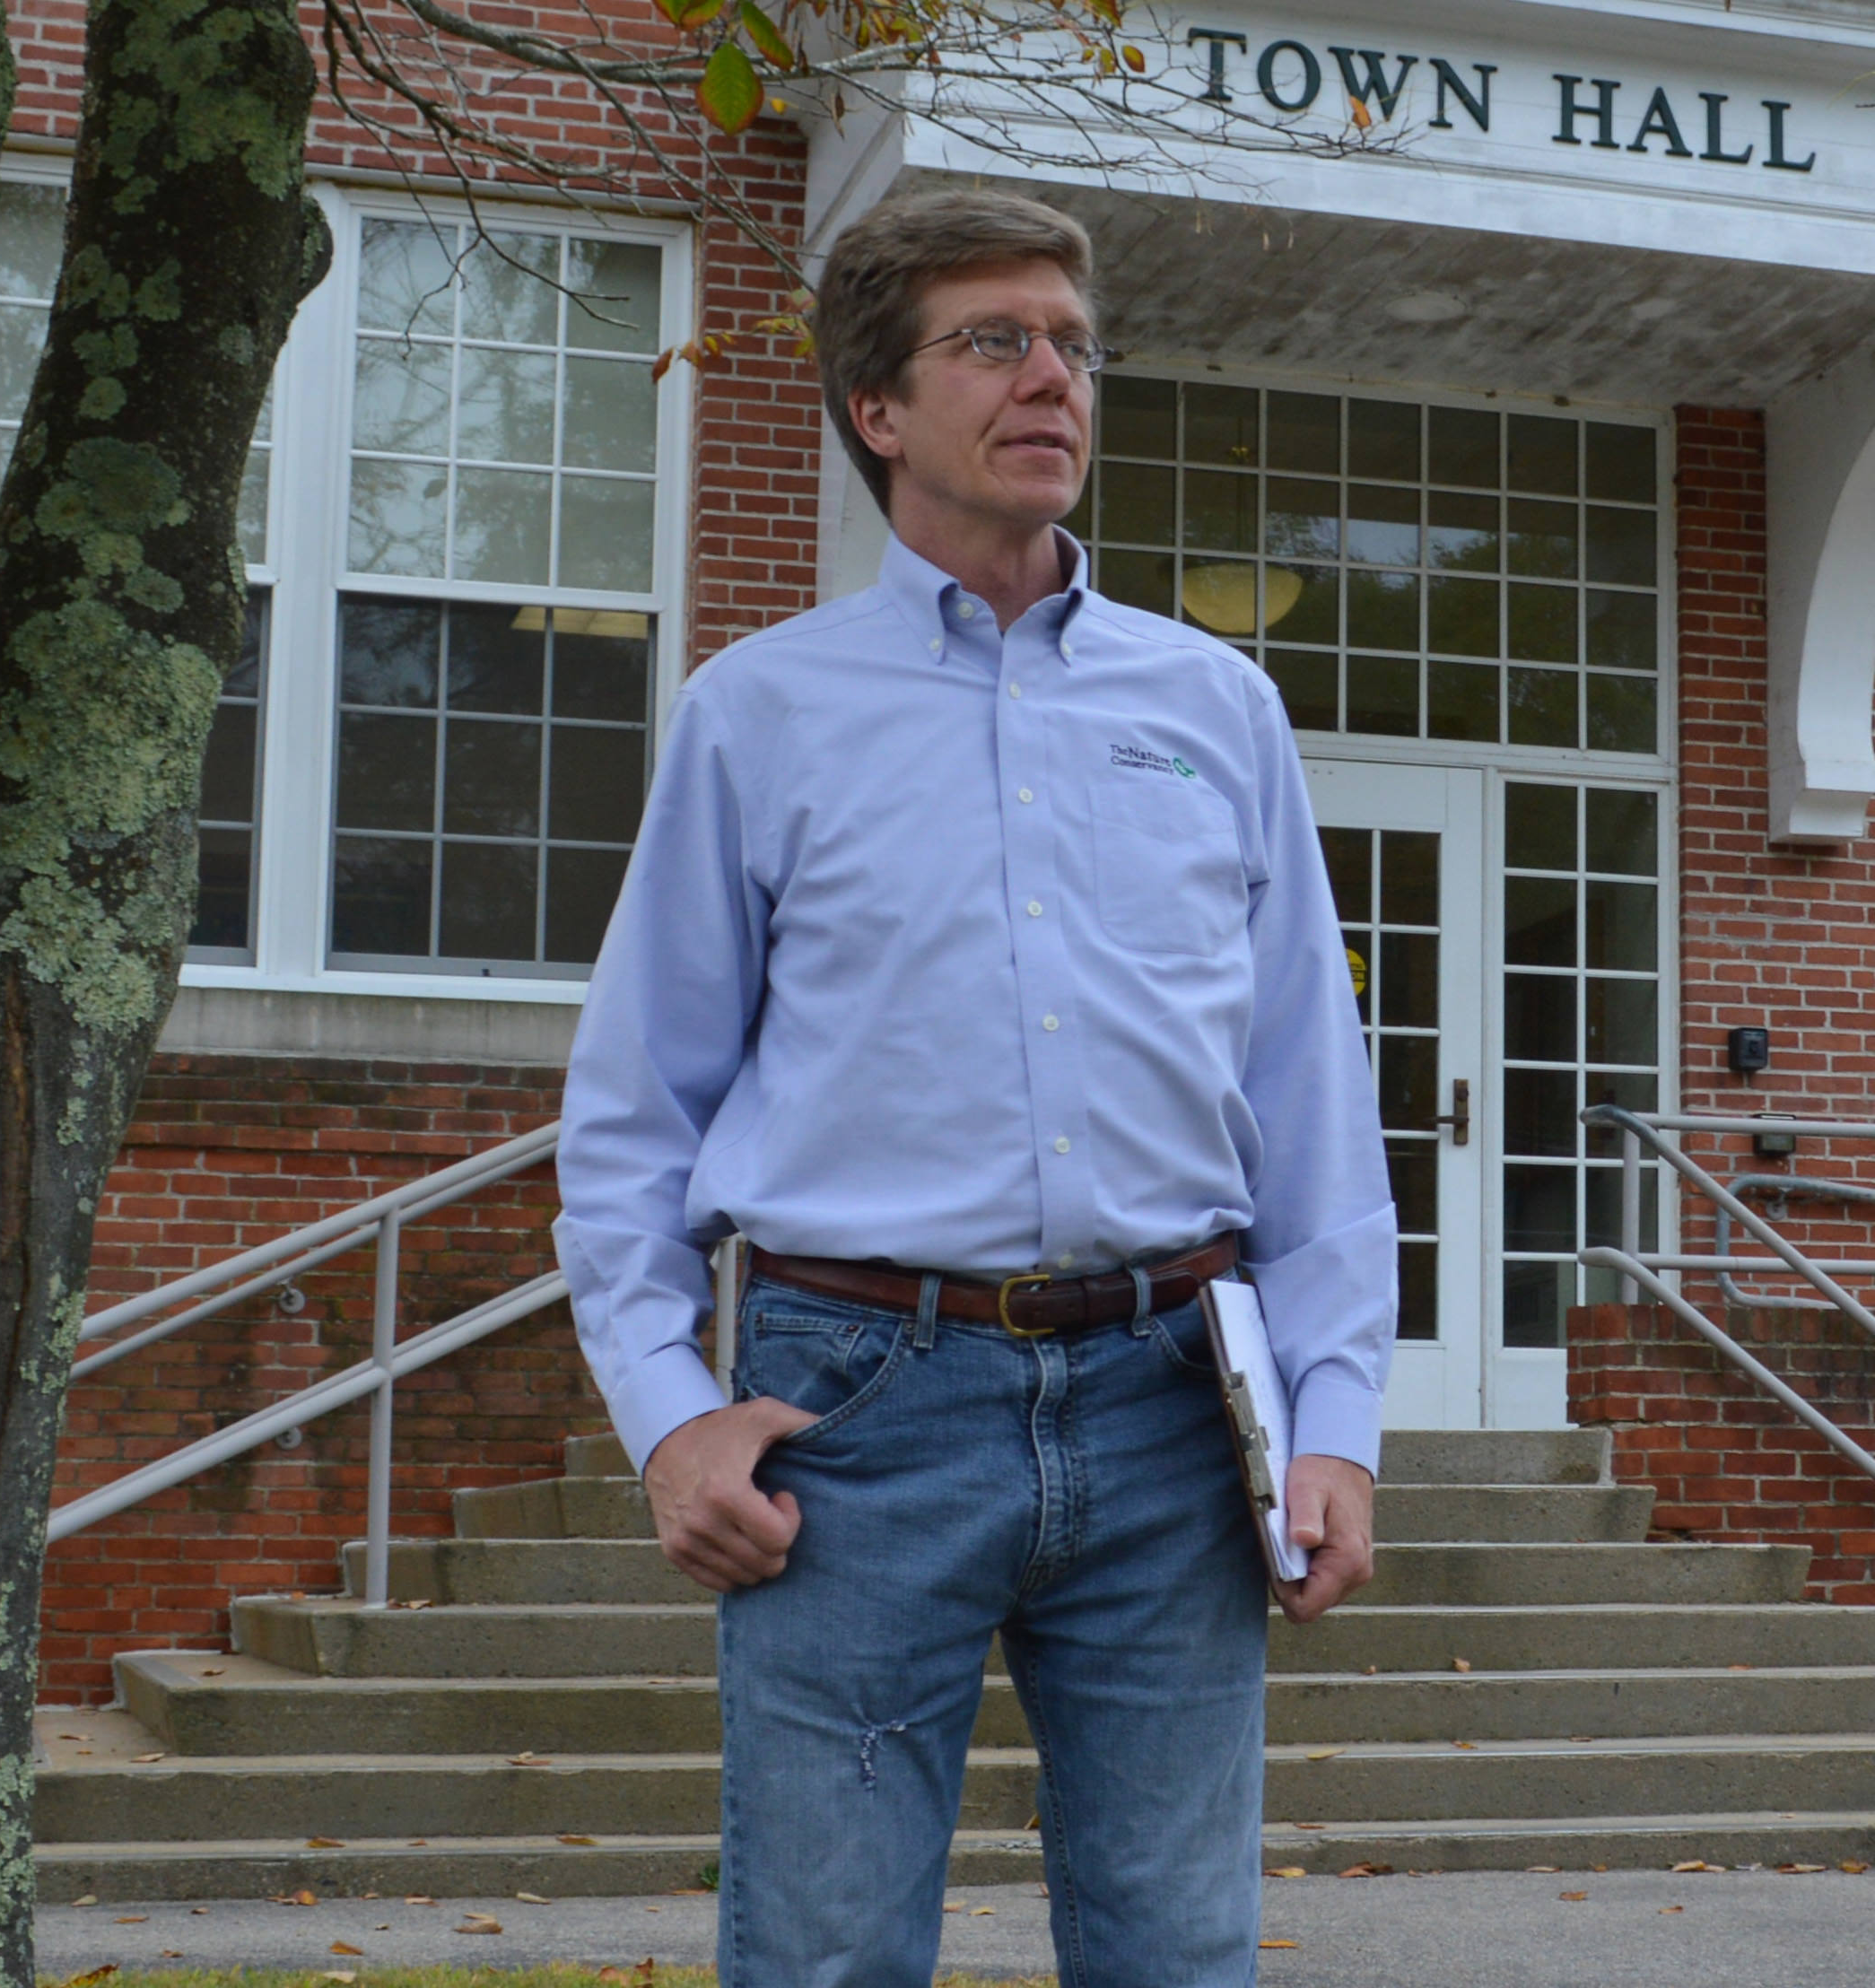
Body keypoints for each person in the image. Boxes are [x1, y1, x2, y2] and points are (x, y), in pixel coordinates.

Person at [552, 187, 1399, 1988]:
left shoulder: (1219, 708)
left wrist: (1331, 1421)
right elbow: (634, 1113)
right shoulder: (756, 716)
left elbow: (1312, 1110)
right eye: (993, 341)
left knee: (1178, 1955)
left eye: (1074, 346)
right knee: (825, 1954)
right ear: (878, 407)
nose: (1051, 380)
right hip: (854, 1416)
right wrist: (662, 1406)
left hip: (1177, 1402)